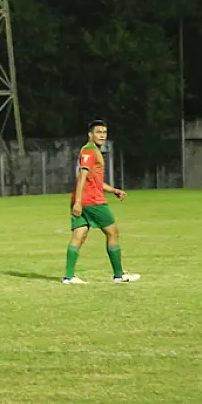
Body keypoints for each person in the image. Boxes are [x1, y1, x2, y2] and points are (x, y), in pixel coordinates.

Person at [63, 121, 141, 284]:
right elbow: (83, 176)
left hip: (82, 200)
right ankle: (119, 275)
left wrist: (113, 190)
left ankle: (69, 277)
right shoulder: (90, 151)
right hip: (92, 201)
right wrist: (79, 202)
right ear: (90, 134)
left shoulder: (89, 150)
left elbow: (95, 181)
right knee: (113, 233)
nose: (102, 135)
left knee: (79, 235)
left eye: (104, 132)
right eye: (98, 132)